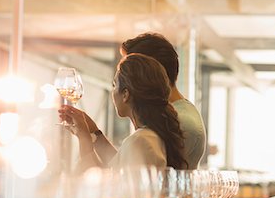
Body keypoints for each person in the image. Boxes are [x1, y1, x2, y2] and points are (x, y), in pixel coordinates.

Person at [59, 53, 188, 171]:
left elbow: (104, 188)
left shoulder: (140, 140)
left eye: (114, 85)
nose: (112, 92)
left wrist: (84, 139)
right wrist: (93, 132)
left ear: (125, 94)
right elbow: (118, 165)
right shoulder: (150, 136)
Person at [121, 33, 207, 169]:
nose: (123, 80)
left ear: (152, 70)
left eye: (131, 69)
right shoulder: (171, 113)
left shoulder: (181, 121)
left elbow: (140, 174)